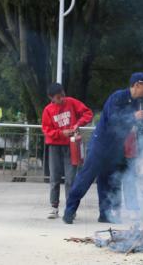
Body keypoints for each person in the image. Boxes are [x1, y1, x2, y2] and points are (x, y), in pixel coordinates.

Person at [63, 72, 143, 224]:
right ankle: (69, 211)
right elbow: (113, 119)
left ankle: (105, 214)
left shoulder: (137, 103)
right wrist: (133, 117)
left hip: (116, 147)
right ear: (137, 85)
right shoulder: (117, 97)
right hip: (101, 144)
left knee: (108, 181)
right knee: (86, 177)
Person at [42, 83, 93, 219]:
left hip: (71, 145)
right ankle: (54, 207)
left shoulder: (71, 102)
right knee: (54, 178)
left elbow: (88, 113)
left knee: (71, 178)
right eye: (58, 98)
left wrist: (78, 124)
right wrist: (61, 133)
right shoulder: (48, 110)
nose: (61, 99)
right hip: (54, 146)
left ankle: (70, 208)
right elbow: (46, 130)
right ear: (51, 98)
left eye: (62, 95)